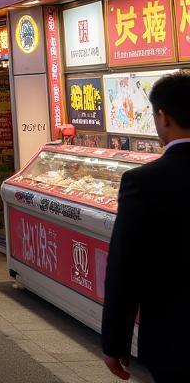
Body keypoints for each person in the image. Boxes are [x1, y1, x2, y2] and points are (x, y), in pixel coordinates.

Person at [102, 71, 190, 382]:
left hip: (175, 341)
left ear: (163, 117)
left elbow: (124, 268)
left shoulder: (143, 182)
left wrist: (115, 341)